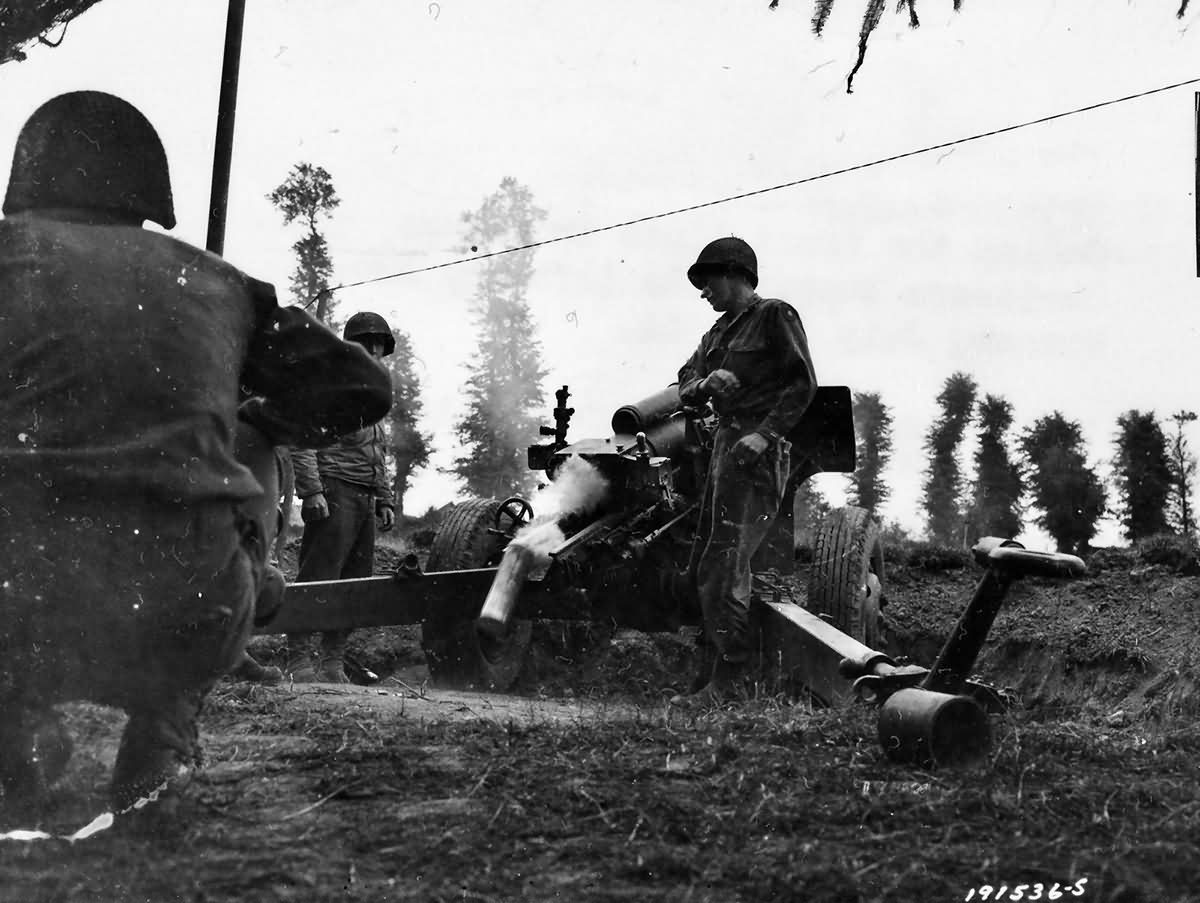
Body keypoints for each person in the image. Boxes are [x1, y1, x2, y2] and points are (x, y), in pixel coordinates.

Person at [0, 91, 392, 811]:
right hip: (182, 599)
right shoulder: (219, 282)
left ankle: (13, 733)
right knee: (227, 556)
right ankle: (162, 729)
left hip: (18, 595)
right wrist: (261, 409)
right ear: (149, 191)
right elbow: (363, 385)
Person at [670, 236, 817, 706]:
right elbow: (683, 382)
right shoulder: (715, 335)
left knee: (726, 562)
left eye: (708, 281)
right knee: (708, 560)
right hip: (724, 450)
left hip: (756, 451)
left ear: (734, 275)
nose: (703, 292)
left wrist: (767, 434)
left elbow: (802, 383)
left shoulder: (775, 315)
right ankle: (716, 673)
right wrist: (703, 384)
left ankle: (730, 683)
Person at [284, 312, 396, 683]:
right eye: (368, 348)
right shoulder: (329, 386)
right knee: (318, 576)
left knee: (356, 582)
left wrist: (385, 498)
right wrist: (312, 491)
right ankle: (299, 660)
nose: (374, 357)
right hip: (334, 490)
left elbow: (378, 452)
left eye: (379, 350)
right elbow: (302, 440)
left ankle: (333, 662)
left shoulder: (376, 396)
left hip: (364, 496)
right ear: (351, 348)